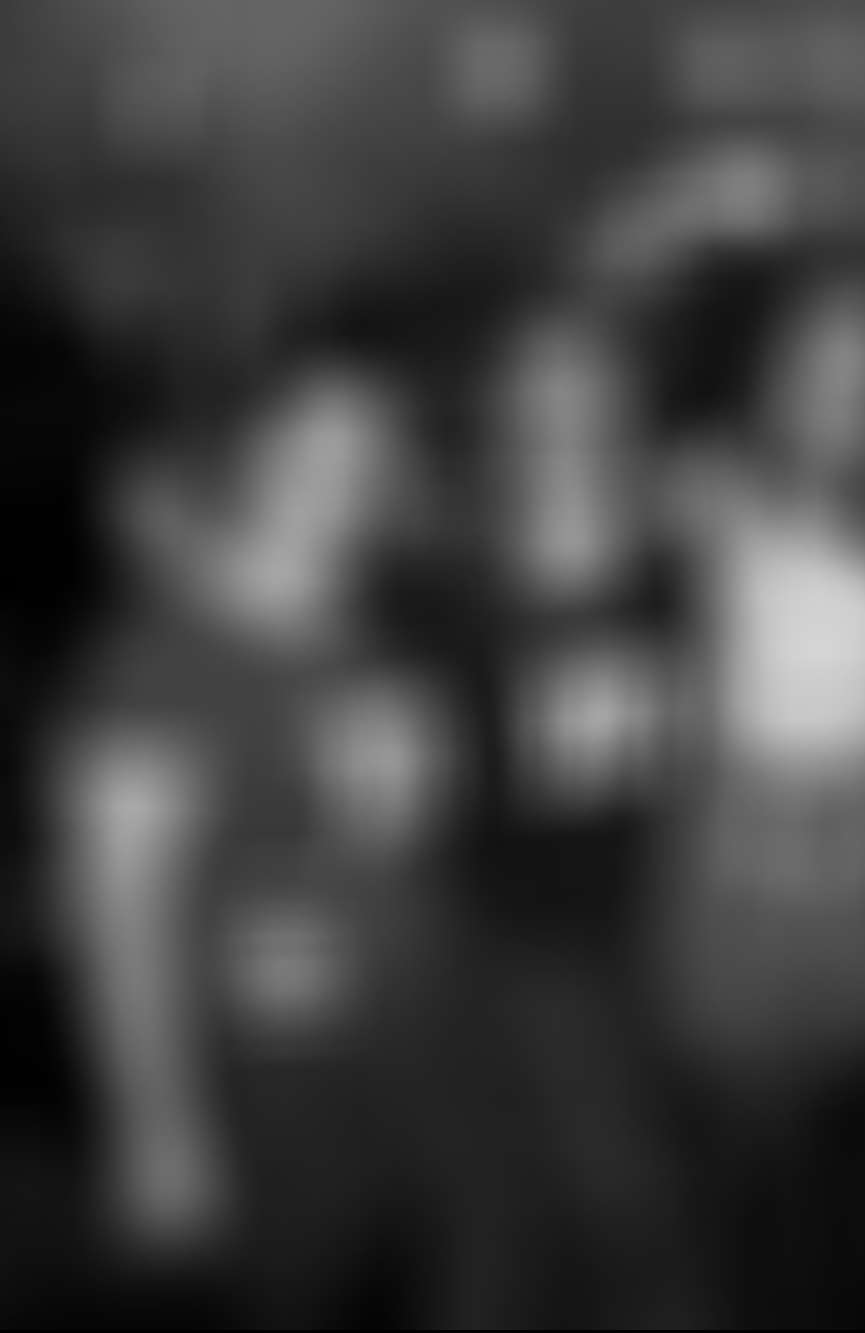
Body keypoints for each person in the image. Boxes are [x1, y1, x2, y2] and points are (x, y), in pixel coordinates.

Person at [54, 350, 512, 1329]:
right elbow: (116, 915)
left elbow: (394, 849)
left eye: (371, 456)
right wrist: (158, 1130)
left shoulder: (376, 636)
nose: (344, 481)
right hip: (268, 1092)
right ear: (251, 457)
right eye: (314, 450)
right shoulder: (154, 662)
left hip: (407, 1065)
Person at [655, 260, 865, 1329]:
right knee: (749, 1263)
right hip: (734, 947)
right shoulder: (699, 509)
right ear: (769, 380)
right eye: (815, 368)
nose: (840, 399)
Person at [465, 304, 694, 1326]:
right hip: (528, 934)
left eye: (584, 392)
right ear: (505, 411)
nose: (561, 418)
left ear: (619, 407)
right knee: (620, 1203)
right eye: (538, 395)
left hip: (674, 917)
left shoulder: (672, 556)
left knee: (641, 1189)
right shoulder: (452, 568)